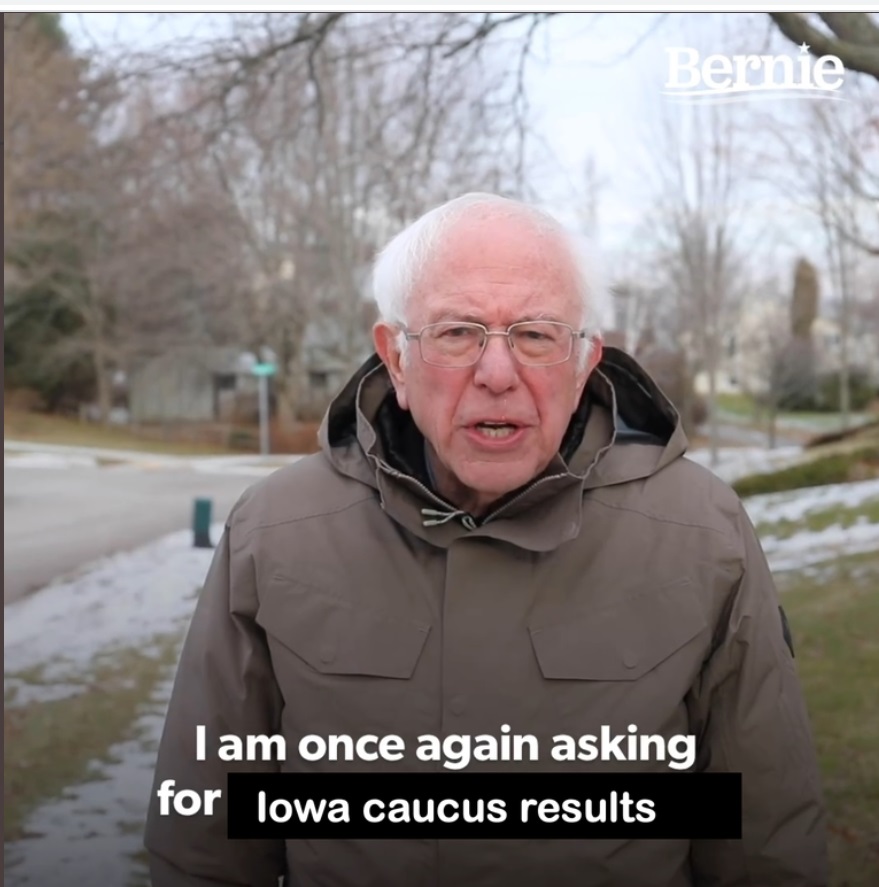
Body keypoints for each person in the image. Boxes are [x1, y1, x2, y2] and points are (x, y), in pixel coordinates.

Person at [144, 192, 828, 886]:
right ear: (397, 359)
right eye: (456, 332)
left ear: (586, 358)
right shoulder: (275, 532)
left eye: (535, 334)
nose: (497, 374)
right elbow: (206, 840)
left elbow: (764, 838)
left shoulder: (699, 533)